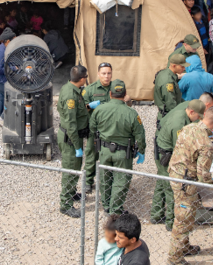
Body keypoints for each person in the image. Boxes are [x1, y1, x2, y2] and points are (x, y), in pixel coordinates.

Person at [167, 107, 213, 265]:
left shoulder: (188, 127)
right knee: (183, 218)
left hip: (175, 174)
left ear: (204, 115)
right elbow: (202, 174)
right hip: (185, 183)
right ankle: (174, 258)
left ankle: (184, 246)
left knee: (188, 212)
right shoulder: (206, 144)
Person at [89, 80, 146, 216]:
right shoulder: (131, 113)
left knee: (105, 178)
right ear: (125, 94)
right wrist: (141, 151)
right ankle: (116, 210)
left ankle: (107, 206)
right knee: (121, 180)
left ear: (110, 93)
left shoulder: (99, 109)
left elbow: (92, 128)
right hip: (123, 152)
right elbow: (140, 135)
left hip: (104, 150)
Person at [151, 99, 206, 232]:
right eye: (198, 117)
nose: (198, 120)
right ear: (192, 111)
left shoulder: (182, 112)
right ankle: (171, 222)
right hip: (166, 155)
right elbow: (180, 148)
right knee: (171, 187)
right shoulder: (179, 123)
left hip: (163, 151)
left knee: (161, 182)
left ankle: (156, 214)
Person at [57, 65, 89, 218]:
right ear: (82, 79)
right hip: (70, 139)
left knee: (75, 168)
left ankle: (71, 193)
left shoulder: (69, 88)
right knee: (70, 170)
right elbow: (70, 124)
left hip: (71, 137)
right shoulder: (71, 95)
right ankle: (65, 204)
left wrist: (88, 107)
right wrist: (77, 146)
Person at [82, 62, 114, 194]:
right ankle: (88, 182)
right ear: (98, 74)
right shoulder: (90, 90)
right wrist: (90, 105)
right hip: (95, 130)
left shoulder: (115, 87)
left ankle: (108, 182)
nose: (106, 76)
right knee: (91, 156)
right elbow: (81, 109)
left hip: (111, 130)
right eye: (104, 73)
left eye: (109, 73)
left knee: (109, 157)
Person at [153, 54, 187, 137]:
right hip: (168, 115)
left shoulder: (165, 74)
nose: (184, 68)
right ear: (174, 65)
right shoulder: (168, 81)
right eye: (182, 67)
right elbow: (170, 104)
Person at [0, 27, 15, 126]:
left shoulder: (5, 48)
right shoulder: (1, 52)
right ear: (8, 41)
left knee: (2, 98)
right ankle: (2, 119)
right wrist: (12, 69)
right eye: (14, 40)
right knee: (11, 98)